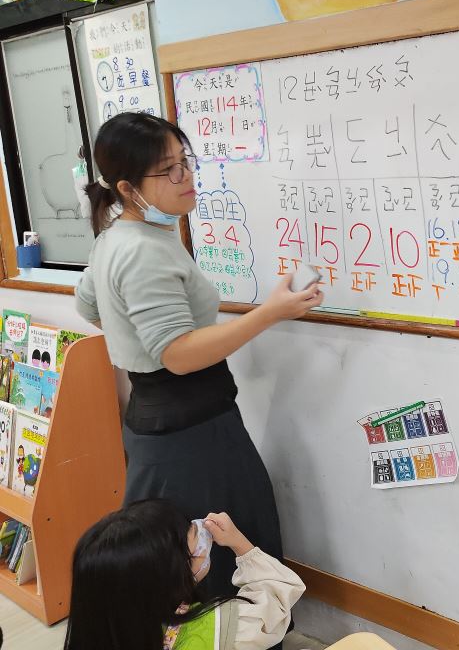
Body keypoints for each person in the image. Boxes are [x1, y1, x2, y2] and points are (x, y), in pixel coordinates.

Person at [74, 113, 323, 602]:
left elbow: (89, 305)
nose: (185, 176)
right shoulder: (142, 250)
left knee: (183, 560)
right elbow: (179, 355)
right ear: (127, 188)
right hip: (188, 436)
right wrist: (270, 313)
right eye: (168, 170)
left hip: (166, 423)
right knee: (216, 561)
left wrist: (140, 343)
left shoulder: (118, 238)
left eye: (185, 161)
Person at [63, 499, 305, 650]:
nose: (204, 537)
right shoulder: (217, 626)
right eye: (196, 540)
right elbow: (276, 601)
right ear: (173, 575)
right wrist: (240, 544)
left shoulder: (107, 628)